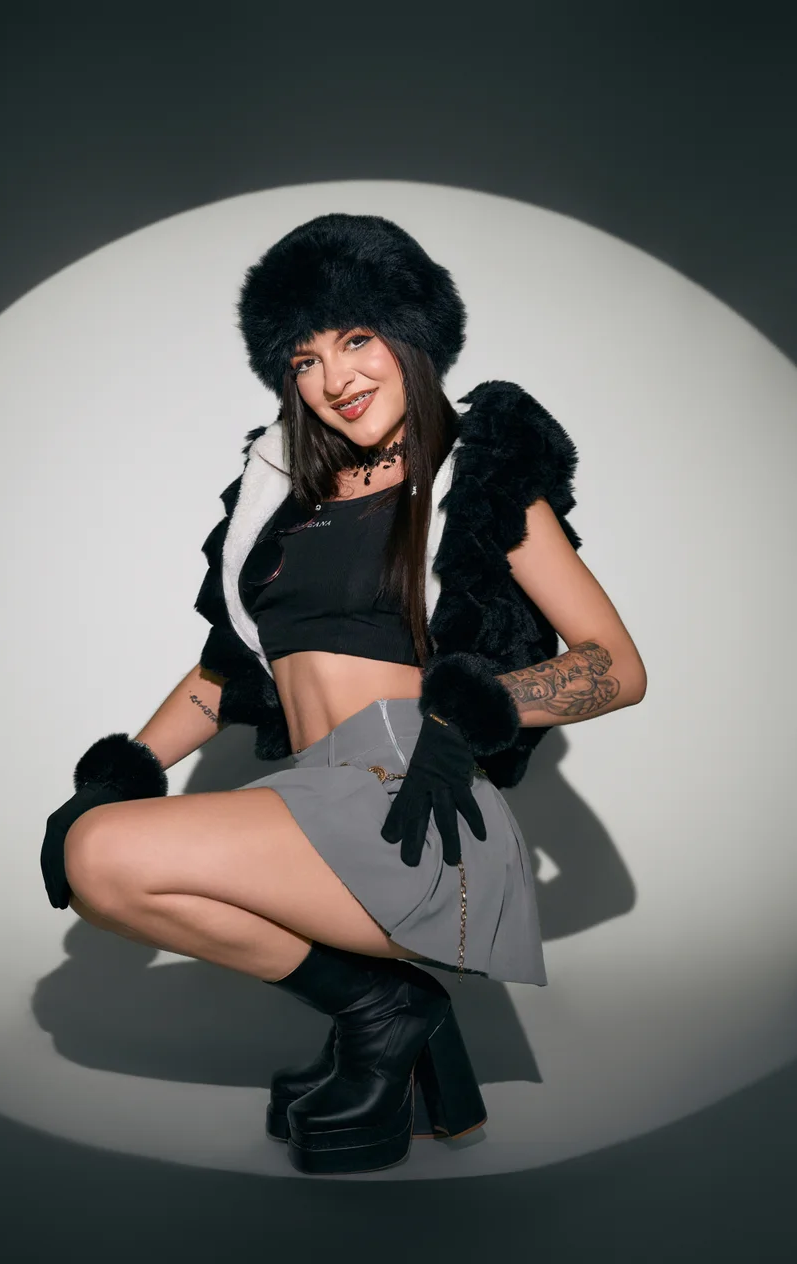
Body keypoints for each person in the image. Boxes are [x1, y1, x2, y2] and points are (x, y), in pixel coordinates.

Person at [40, 213, 647, 1176]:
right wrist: (121, 772)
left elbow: (616, 664)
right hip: (308, 795)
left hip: (414, 804)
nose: (336, 377)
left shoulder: (474, 481)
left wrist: (474, 713)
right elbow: (225, 675)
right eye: (306, 357)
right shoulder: (278, 503)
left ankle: (380, 1009)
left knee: (101, 855)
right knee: (97, 849)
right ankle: (384, 1012)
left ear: (411, 335)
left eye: (358, 338)